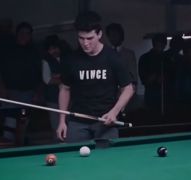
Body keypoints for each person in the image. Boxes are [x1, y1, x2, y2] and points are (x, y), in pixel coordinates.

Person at [56, 11, 135, 142]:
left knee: (107, 161)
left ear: (99, 34)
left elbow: (128, 88)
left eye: (89, 38)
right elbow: (64, 88)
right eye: (81, 38)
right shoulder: (71, 60)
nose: (85, 43)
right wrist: (62, 121)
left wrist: (114, 112)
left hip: (106, 122)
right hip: (77, 122)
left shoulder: (113, 58)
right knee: (74, 160)